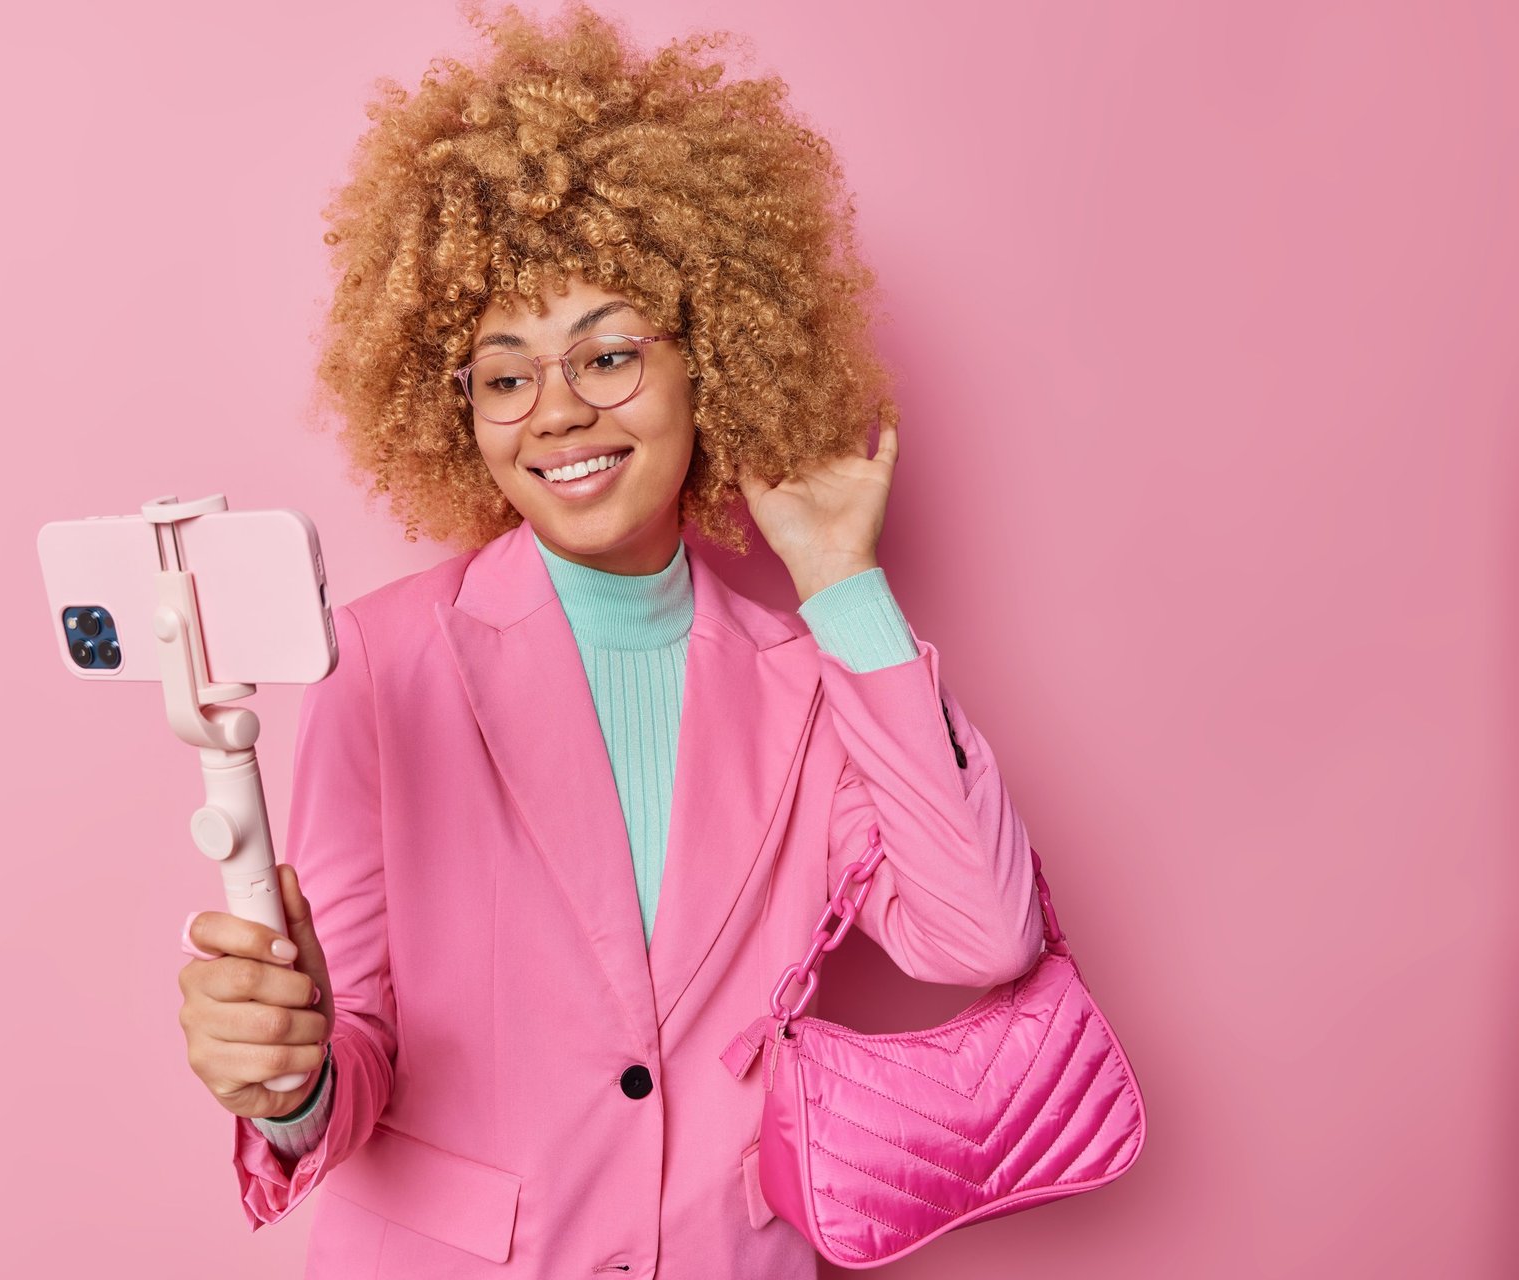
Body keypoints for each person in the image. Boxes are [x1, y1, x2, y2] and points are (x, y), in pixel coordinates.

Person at [176, 4, 1045, 1276]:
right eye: (507, 372)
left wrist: (842, 582)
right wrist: (287, 1075)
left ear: (712, 358)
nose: (560, 409)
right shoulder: (376, 661)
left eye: (612, 352)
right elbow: (346, 1062)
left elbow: (982, 937)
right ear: (452, 401)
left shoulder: (813, 682)